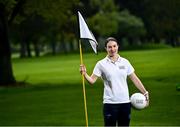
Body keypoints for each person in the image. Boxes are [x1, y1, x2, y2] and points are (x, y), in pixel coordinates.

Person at [80, 37, 149, 126]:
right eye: (109, 47)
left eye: (114, 46)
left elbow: (134, 78)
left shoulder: (125, 62)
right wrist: (85, 74)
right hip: (110, 104)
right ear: (106, 48)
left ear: (118, 46)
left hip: (125, 103)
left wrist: (145, 92)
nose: (112, 49)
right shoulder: (101, 64)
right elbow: (92, 81)